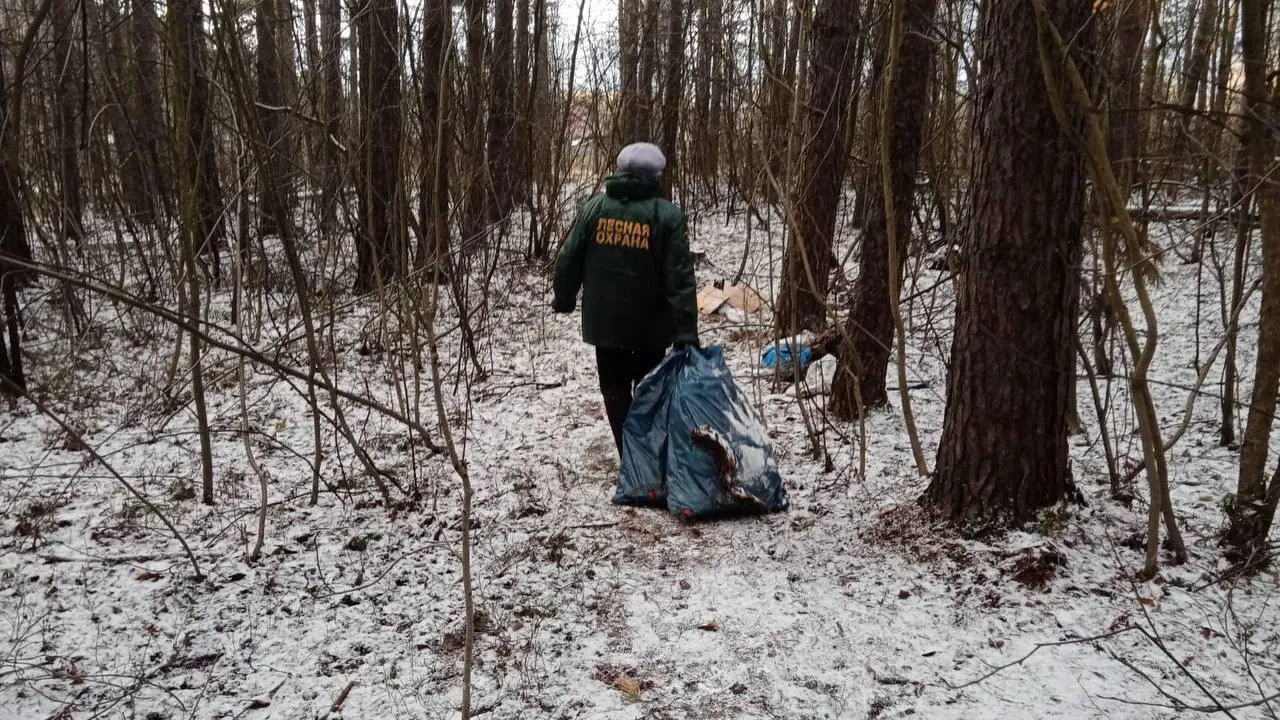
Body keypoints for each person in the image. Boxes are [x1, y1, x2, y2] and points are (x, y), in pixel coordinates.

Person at [552, 142, 698, 456]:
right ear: (655, 176)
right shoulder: (667, 216)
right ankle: (645, 459)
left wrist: (563, 298)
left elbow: (568, 258)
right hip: (650, 326)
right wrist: (685, 332)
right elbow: (681, 280)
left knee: (614, 388)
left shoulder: (594, 208)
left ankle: (629, 457)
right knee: (647, 388)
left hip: (605, 324)